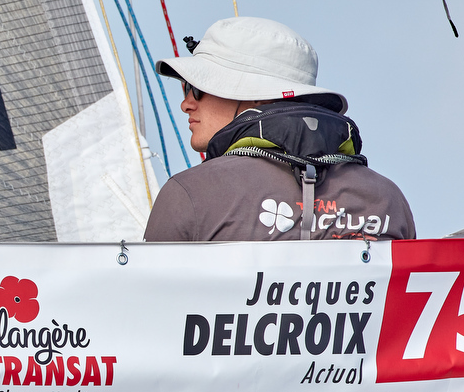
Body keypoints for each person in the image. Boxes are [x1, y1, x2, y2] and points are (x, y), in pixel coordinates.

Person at [143, 17, 415, 243]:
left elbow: (144, 304)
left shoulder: (190, 194)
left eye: (196, 88)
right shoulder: (387, 198)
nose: (186, 104)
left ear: (260, 95)